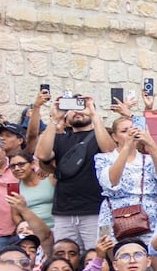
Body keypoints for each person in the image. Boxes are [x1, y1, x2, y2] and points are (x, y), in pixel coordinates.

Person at [35, 93, 117, 250]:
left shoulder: (99, 136)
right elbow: (42, 155)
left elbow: (109, 151)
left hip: (96, 210)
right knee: (66, 257)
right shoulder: (60, 138)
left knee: (98, 256)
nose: (78, 111)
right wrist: (54, 119)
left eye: (81, 107)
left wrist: (93, 114)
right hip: (64, 211)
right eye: (71, 108)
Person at [95, 115, 157, 236]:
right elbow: (112, 181)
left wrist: (150, 142)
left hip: (146, 216)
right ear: (114, 137)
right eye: (124, 131)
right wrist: (126, 147)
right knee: (108, 249)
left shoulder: (149, 159)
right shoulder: (103, 158)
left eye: (133, 129)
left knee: (147, 252)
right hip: (111, 215)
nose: (130, 134)